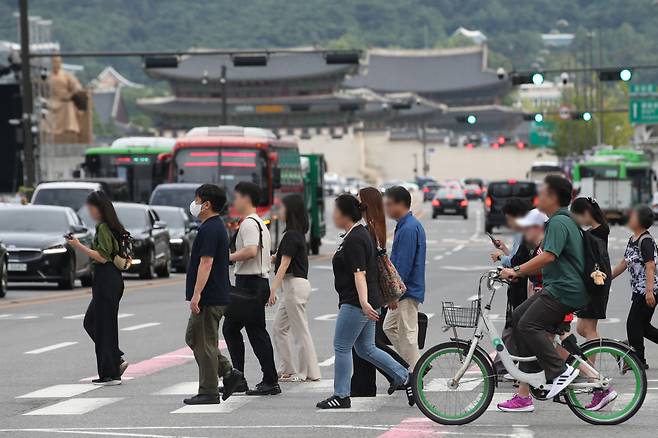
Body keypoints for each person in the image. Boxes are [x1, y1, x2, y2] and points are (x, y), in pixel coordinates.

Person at [316, 194, 411, 409]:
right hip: (363, 301)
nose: (333, 215)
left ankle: (341, 395)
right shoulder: (358, 234)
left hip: (356, 303)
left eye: (335, 210)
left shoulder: (356, 238)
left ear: (343, 214)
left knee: (341, 347)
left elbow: (360, 274)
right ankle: (405, 376)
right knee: (365, 348)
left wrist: (363, 302)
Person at [501, 175, 588, 400]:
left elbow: (548, 256)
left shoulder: (559, 222)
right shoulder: (559, 220)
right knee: (519, 316)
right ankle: (528, 385)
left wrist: (516, 270)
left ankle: (560, 371)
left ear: (552, 197)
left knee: (528, 324)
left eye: (542, 192)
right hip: (558, 287)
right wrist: (517, 269)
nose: (537, 197)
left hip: (564, 289)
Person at [183, 184, 243, 405]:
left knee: (206, 342)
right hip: (213, 294)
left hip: (210, 296)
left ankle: (208, 391)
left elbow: (206, 263)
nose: (194, 205)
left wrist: (197, 294)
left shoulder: (210, 229)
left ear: (206, 204)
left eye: (197, 200)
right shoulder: (213, 226)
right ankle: (228, 372)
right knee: (193, 338)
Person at [350, 187, 409, 397]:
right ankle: (367, 384)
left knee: (365, 345)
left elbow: (369, 268)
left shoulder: (368, 230)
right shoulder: (374, 227)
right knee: (366, 344)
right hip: (372, 293)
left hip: (369, 293)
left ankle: (402, 373)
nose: (356, 205)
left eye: (358, 201)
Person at [224, 182, 280, 396]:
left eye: (237, 197)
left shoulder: (249, 223)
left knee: (255, 332)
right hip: (252, 283)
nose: (234, 201)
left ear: (246, 199)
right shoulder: (258, 222)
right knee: (232, 328)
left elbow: (250, 251)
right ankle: (239, 378)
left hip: (251, 283)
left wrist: (227, 258)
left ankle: (270, 380)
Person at [67, 191, 128, 386]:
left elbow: (102, 257)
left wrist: (78, 245)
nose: (90, 212)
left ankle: (110, 374)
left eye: (91, 208)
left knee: (104, 326)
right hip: (112, 280)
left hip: (106, 279)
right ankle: (115, 360)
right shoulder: (112, 226)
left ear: (98, 208)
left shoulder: (103, 227)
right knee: (93, 322)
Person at [497, 208, 548, 412]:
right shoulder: (537, 248)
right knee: (529, 332)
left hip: (553, 299)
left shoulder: (544, 249)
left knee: (530, 331)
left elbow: (540, 271)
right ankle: (525, 392)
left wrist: (514, 270)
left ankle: (559, 374)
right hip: (544, 298)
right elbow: (531, 276)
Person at [271, 194, 321, 382]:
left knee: (300, 331)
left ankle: (306, 372)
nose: (279, 212)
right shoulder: (292, 234)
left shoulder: (292, 235)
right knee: (279, 328)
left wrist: (272, 289)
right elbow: (278, 258)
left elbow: (284, 265)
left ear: (290, 211)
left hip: (294, 285)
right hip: (292, 286)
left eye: (282, 208)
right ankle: (288, 369)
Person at [383, 185, 427, 369]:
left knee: (408, 333)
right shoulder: (406, 225)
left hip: (406, 290)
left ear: (401, 204)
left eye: (389, 204)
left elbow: (403, 265)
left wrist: (394, 294)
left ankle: (416, 371)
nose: (387, 208)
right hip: (406, 289)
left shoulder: (408, 228)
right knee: (389, 327)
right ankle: (415, 364)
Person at [612, 205, 658, 370]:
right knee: (643, 327)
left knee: (633, 324)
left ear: (639, 221)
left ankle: (638, 361)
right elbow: (624, 263)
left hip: (648, 290)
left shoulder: (645, 240)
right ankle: (638, 360)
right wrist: (607, 278)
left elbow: (650, 266)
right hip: (640, 290)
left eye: (632, 216)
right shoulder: (633, 239)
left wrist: (649, 291)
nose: (629, 218)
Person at [570, 197, 610, 342]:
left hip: (596, 281)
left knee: (588, 329)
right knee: (582, 329)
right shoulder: (595, 231)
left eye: (577, 216)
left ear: (586, 213)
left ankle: (590, 365)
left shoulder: (599, 232)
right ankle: (618, 350)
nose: (577, 221)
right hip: (592, 282)